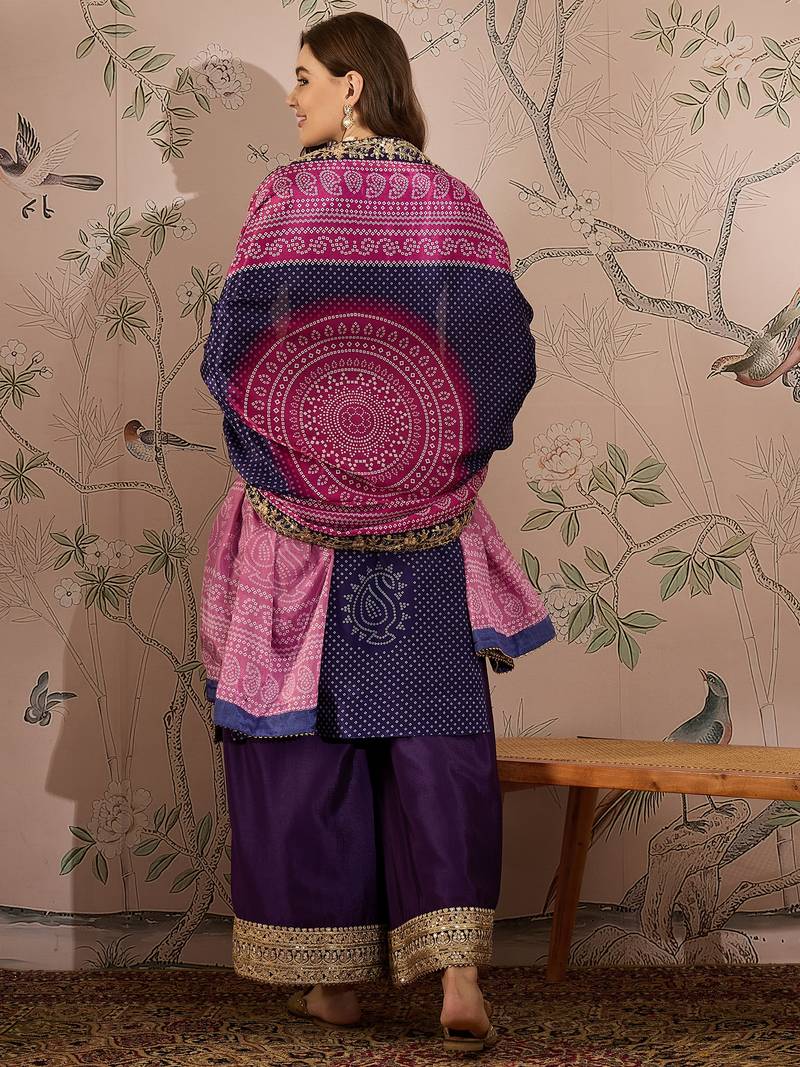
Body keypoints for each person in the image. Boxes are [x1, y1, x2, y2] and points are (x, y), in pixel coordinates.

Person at [199, 11, 555, 1053]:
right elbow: (502, 354)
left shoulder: (282, 200)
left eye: (305, 77)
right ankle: (458, 979)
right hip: (425, 527)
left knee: (307, 737)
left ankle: (335, 986)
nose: (294, 97)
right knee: (434, 736)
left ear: (354, 85)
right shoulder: (453, 205)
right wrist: (434, 460)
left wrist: (295, 457)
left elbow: (234, 353)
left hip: (295, 521)